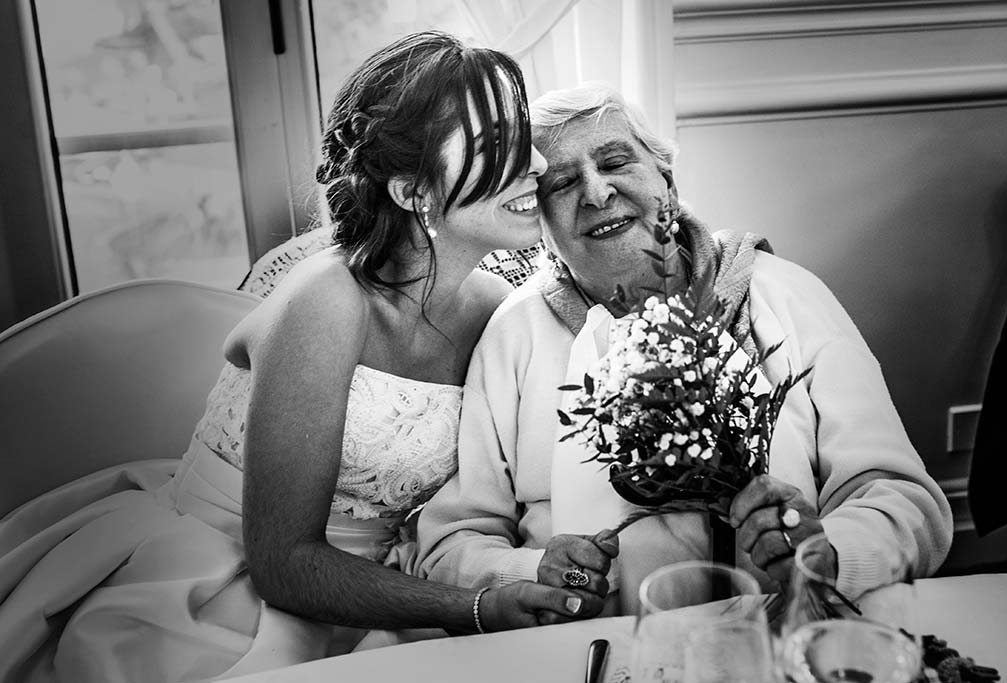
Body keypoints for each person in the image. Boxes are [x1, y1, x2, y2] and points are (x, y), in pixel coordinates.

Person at [0, 32, 605, 683]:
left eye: (525, 139)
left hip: (379, 587)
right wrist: (477, 607)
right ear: (413, 192)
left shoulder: (495, 307)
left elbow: (500, 486)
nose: (537, 165)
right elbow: (283, 563)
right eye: (496, 149)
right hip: (220, 584)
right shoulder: (328, 299)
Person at [414, 83, 954, 613]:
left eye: (616, 162)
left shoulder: (783, 294)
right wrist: (535, 574)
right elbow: (452, 544)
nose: (597, 192)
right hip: (589, 648)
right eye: (560, 183)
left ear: (666, 182)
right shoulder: (515, 335)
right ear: (542, 224)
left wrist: (828, 552)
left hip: (783, 631)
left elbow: (906, 502)